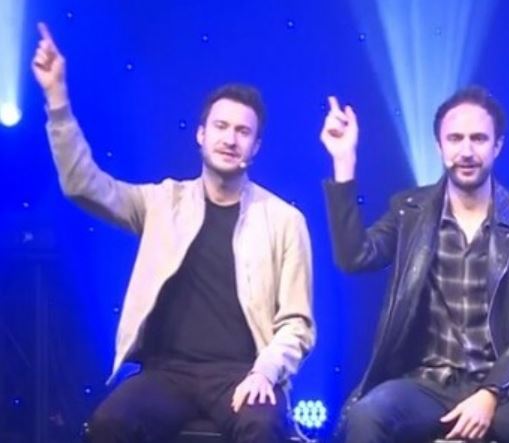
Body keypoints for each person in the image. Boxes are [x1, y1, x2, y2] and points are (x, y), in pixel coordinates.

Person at [32, 22, 315, 443]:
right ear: (201, 135)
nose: (230, 139)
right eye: (221, 127)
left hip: (243, 372)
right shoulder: (162, 202)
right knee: (110, 423)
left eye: (243, 132)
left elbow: (297, 323)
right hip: (168, 372)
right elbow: (83, 185)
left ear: (255, 147)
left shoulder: (284, 220)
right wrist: (57, 99)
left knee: (263, 425)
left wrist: (265, 372)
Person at [319, 87, 509, 442]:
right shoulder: (410, 211)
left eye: (478, 138)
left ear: (497, 146)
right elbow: (355, 258)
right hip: (427, 382)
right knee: (367, 416)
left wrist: (490, 392)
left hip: (506, 385)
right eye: (455, 138)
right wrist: (343, 161)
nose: (466, 151)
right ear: (439, 146)